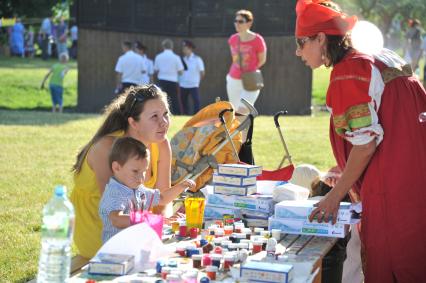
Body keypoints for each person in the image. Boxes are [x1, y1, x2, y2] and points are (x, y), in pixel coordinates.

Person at [294, 1, 426, 282]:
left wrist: (333, 197)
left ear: (320, 38)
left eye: (301, 42)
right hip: (414, 181)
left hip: (391, 192)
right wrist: (345, 168)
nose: (298, 51)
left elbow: (365, 144)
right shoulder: (380, 57)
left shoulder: (348, 72)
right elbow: (391, 124)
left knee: (391, 266)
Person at [71, 85, 174, 258]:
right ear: (133, 123)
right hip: (100, 228)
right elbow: (112, 213)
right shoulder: (107, 148)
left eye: (165, 114)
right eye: (154, 117)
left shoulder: (161, 143)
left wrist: (163, 225)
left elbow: (163, 201)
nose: (163, 122)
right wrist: (148, 226)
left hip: (136, 223)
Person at [99, 137, 195, 243]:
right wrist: (147, 219)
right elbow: (117, 219)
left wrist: (180, 186)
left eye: (144, 171)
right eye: (135, 171)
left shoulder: (138, 189)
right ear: (116, 167)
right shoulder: (115, 192)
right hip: (116, 252)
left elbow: (162, 198)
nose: (141, 178)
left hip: (136, 247)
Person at [226, 10, 267, 115]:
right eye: (236, 21)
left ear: (249, 23)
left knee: (243, 111)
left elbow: (262, 60)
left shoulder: (258, 40)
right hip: (233, 79)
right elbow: (234, 59)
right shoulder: (233, 39)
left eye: (240, 21)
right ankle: (240, 132)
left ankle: (243, 130)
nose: (237, 24)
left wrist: (251, 69)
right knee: (234, 112)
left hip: (251, 80)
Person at [154, 39, 184, 115]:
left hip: (162, 81)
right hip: (173, 81)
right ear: (172, 47)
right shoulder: (176, 57)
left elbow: (156, 71)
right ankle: (177, 115)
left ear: (163, 47)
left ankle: (161, 115)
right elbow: (181, 72)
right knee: (174, 100)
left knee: (161, 99)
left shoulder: (158, 57)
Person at [179, 40, 205, 115]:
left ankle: (196, 117)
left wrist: (197, 81)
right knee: (183, 102)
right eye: (183, 48)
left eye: (185, 48)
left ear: (190, 49)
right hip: (183, 84)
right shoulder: (182, 59)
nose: (184, 50)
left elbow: (202, 72)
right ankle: (185, 116)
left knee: (196, 101)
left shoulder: (197, 59)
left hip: (193, 84)